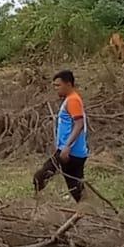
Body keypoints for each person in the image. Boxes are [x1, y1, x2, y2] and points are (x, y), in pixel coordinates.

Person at [33, 69, 88, 202]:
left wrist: (67, 146)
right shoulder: (71, 99)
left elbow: (79, 124)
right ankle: (88, 210)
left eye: (58, 85)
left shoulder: (73, 100)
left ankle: (36, 204)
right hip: (73, 152)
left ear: (68, 84)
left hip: (69, 153)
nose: (56, 89)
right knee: (76, 189)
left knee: (40, 177)